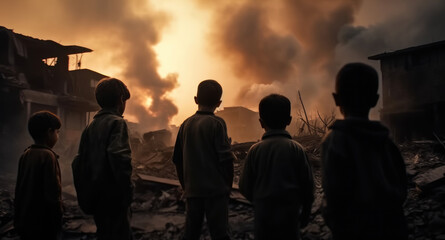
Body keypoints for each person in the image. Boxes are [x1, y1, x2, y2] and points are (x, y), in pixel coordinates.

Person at [321, 62, 408, 240]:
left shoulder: (334, 141)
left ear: (336, 99)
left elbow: (333, 193)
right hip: (390, 228)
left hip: (353, 230)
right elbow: (401, 186)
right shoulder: (386, 141)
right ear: (375, 100)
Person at [239, 94, 314, 240]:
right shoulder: (297, 149)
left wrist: (258, 201)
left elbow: (244, 186)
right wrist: (305, 212)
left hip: (263, 215)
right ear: (289, 120)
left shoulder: (255, 150)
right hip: (290, 215)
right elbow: (308, 186)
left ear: (261, 122)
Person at [172, 79, 235, 240]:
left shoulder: (185, 124)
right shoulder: (217, 123)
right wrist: (228, 187)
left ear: (195, 100)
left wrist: (185, 186)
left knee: (191, 232)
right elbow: (226, 160)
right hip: (216, 192)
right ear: (219, 103)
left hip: (193, 191)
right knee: (220, 233)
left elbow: (177, 160)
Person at [72, 77, 133, 240]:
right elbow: (119, 158)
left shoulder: (90, 127)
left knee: (104, 234)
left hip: (95, 196)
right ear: (121, 99)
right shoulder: (117, 123)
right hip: (113, 196)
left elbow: (78, 162)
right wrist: (127, 190)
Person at [14, 111, 63, 240]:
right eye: (57, 132)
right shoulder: (48, 156)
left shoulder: (26, 154)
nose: (58, 136)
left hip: (26, 220)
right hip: (43, 222)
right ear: (49, 132)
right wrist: (58, 218)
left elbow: (19, 189)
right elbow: (53, 192)